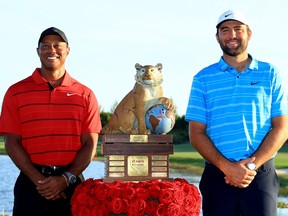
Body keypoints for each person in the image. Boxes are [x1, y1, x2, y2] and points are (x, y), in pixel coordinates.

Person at [185, 10, 288, 216]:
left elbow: (282, 127)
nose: (231, 35)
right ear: (217, 37)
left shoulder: (270, 73)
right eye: (225, 30)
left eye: (237, 29)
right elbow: (196, 133)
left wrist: (250, 165)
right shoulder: (202, 79)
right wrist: (227, 168)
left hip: (260, 175)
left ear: (249, 34)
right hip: (217, 175)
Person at [0, 27, 102, 216]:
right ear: (38, 51)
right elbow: (11, 142)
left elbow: (90, 144)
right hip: (30, 185)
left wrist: (65, 179)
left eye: (57, 45)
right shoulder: (15, 92)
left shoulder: (85, 95)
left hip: (71, 186)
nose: (51, 50)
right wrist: (40, 181)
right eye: (45, 46)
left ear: (68, 50)